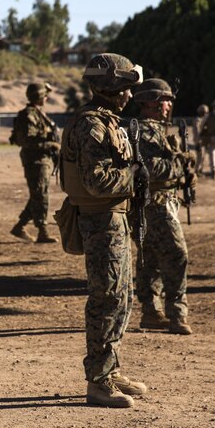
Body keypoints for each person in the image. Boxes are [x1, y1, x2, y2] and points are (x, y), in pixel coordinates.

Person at [59, 53, 149, 409]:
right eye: (125, 86)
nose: (129, 94)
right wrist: (133, 177)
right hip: (100, 220)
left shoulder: (109, 121)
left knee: (121, 296)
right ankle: (98, 381)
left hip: (115, 219)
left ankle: (110, 369)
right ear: (110, 87)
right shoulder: (91, 125)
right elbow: (96, 181)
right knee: (106, 298)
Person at [130, 79, 193, 336]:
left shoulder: (155, 130)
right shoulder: (146, 131)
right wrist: (181, 166)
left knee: (150, 259)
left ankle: (151, 312)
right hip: (154, 206)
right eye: (164, 100)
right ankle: (177, 314)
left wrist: (184, 174)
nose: (168, 105)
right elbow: (151, 170)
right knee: (176, 255)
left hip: (150, 205)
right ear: (150, 102)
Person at [9, 82, 60, 243]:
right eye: (45, 96)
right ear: (39, 97)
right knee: (40, 195)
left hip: (43, 160)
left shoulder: (38, 113)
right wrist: (52, 145)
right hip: (35, 161)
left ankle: (20, 226)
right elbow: (28, 141)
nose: (47, 98)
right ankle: (42, 231)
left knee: (38, 194)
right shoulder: (28, 115)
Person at [193, 103, 209, 170]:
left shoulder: (203, 120)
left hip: (203, 140)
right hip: (199, 141)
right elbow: (196, 132)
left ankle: (200, 169)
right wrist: (198, 142)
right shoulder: (197, 120)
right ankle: (197, 170)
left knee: (202, 157)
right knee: (200, 156)